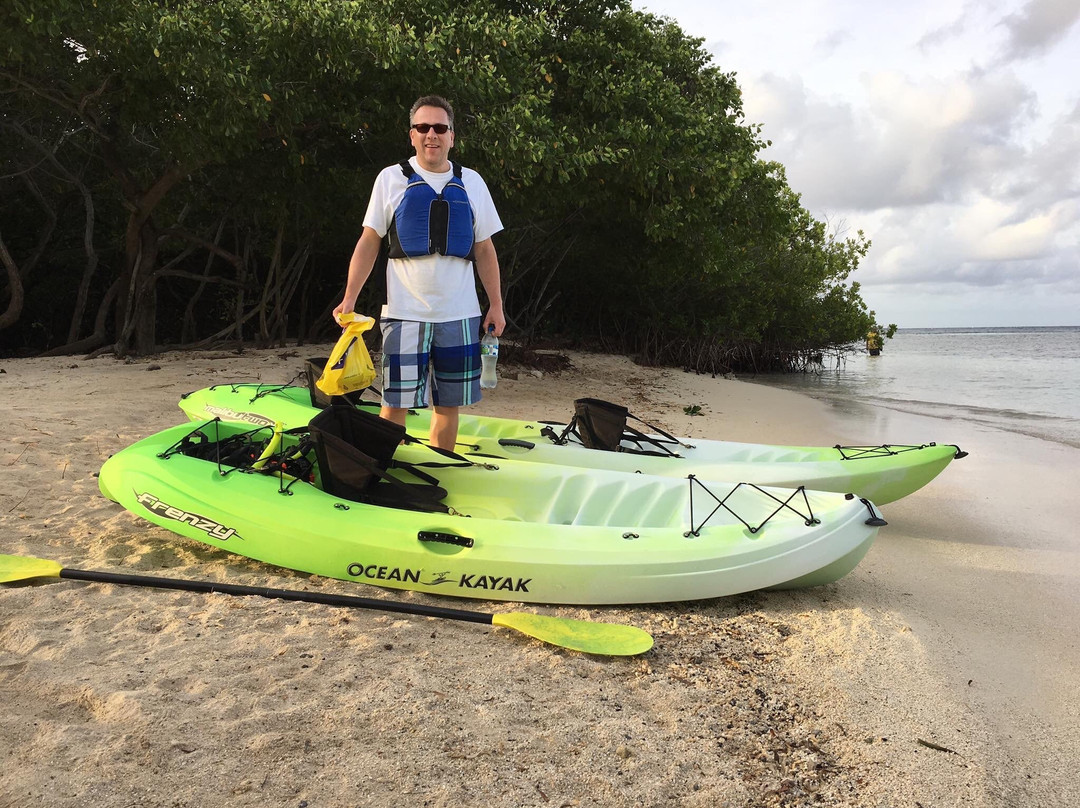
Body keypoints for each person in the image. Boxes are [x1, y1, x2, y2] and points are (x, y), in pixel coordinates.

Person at [332, 95, 505, 450]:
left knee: (448, 405)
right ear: (412, 135)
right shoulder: (390, 179)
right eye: (423, 127)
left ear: (452, 136)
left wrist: (496, 305)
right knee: (394, 403)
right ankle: (381, 469)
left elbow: (485, 249)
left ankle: (438, 468)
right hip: (405, 314)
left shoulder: (472, 182)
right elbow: (369, 241)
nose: (432, 135)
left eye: (440, 128)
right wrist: (349, 297)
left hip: (460, 315)